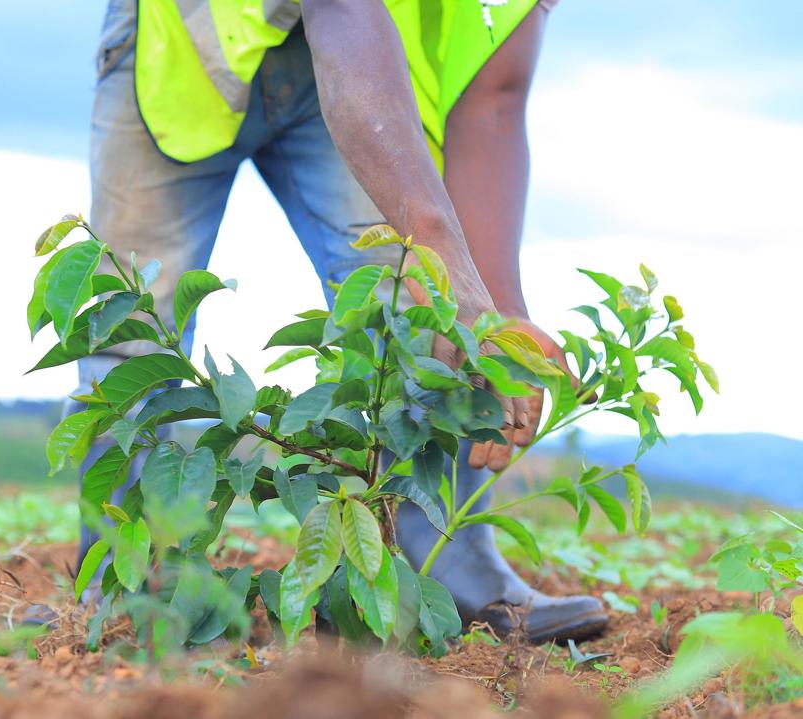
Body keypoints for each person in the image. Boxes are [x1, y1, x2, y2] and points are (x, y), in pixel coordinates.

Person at [62, 0, 607, 644]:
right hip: (185, 44)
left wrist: (498, 310)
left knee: (410, 310)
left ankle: (447, 567)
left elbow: (494, 100)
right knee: (132, 326)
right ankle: (118, 585)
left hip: (369, 62)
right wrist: (443, 257)